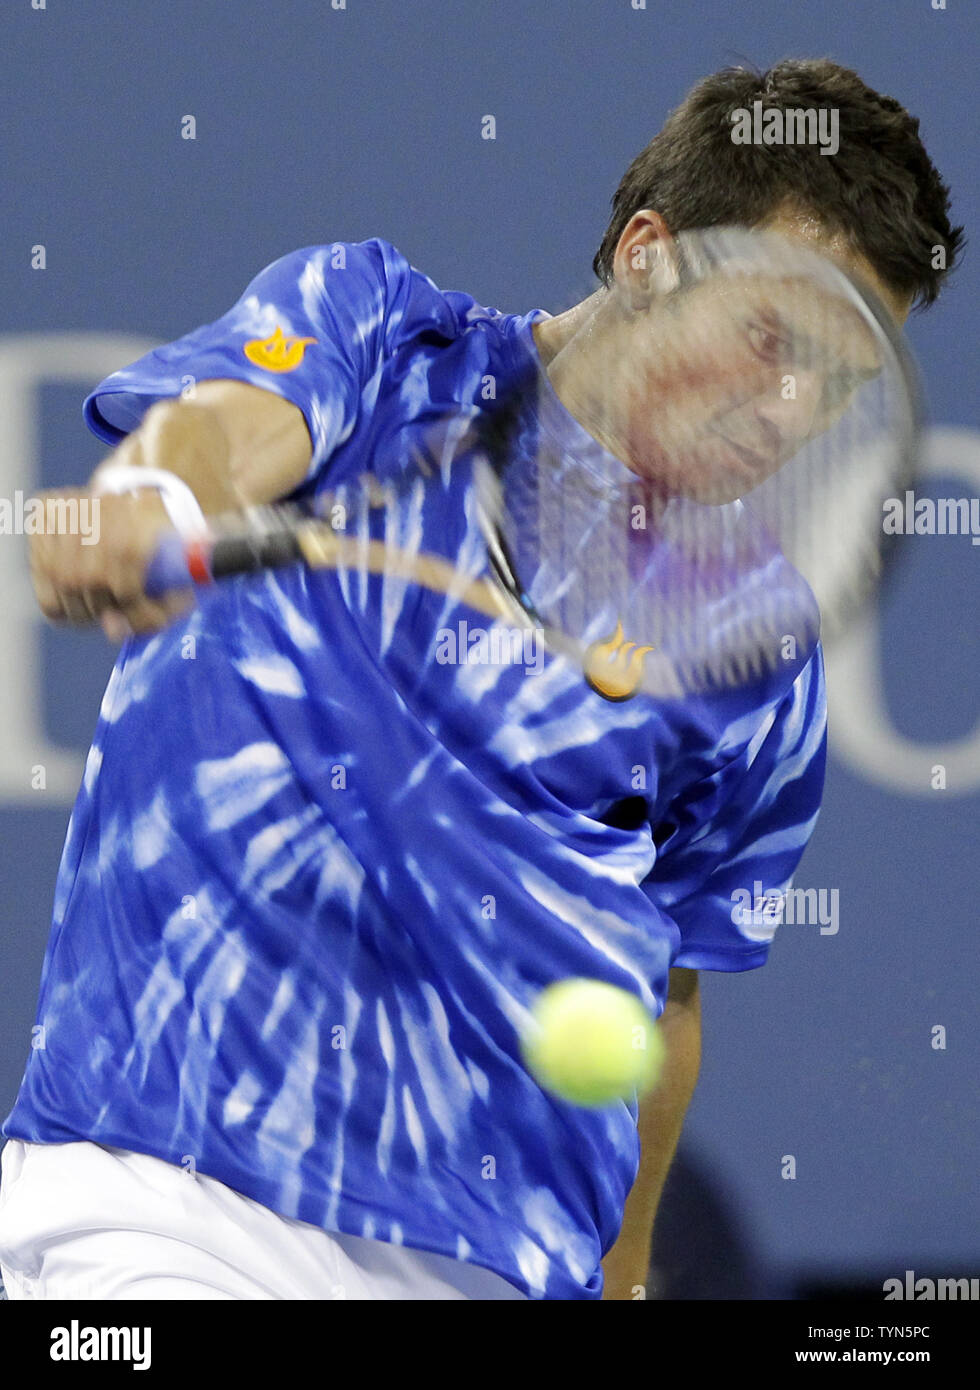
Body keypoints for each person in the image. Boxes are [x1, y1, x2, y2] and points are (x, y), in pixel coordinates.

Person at [0, 59, 961, 1301]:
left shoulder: (756, 648)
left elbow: (665, 995)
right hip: (164, 1204)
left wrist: (620, 1285)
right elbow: (226, 422)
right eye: (770, 336)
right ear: (645, 254)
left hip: (500, 1270)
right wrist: (157, 495)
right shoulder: (378, 337)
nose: (784, 409)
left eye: (831, 379)